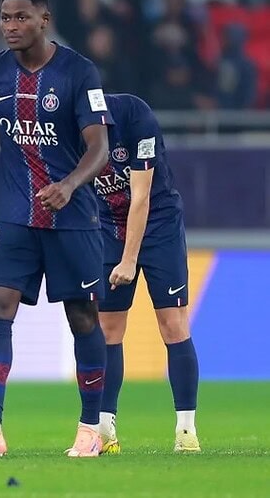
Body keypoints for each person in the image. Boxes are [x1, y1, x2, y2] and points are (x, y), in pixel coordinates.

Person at [0, 0, 113, 458]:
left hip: (71, 215)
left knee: (81, 316)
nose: (11, 26)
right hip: (11, 212)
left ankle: (91, 427)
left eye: (20, 17)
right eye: (5, 17)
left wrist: (70, 184)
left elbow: (100, 147)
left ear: (43, 19)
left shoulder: (79, 71)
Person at [95, 93, 200, 454]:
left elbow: (141, 198)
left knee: (172, 323)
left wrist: (129, 259)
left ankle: (186, 431)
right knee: (108, 328)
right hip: (108, 226)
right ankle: (105, 429)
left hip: (158, 226)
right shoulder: (66, 126)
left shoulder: (136, 116)